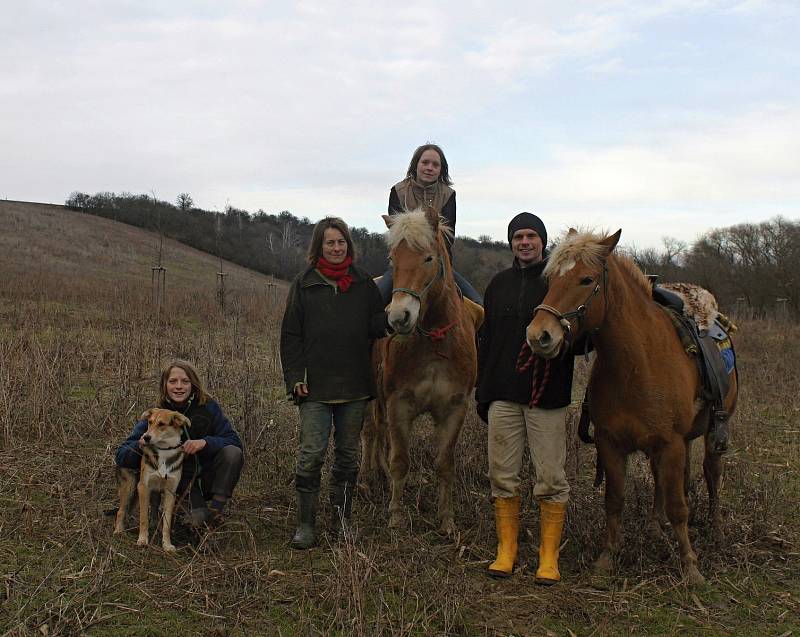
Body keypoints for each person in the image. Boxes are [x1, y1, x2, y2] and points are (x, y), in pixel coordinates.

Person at [476, 212, 575, 584]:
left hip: (545, 396)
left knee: (550, 477)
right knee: (502, 476)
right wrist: (482, 392)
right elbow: (485, 343)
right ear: (511, 243)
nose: (525, 242)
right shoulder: (497, 285)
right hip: (502, 394)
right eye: (518, 236)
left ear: (542, 241)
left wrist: (563, 349)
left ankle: (548, 558)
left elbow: (580, 338)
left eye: (532, 236)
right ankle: (507, 551)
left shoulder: (557, 283)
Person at [280, 216, 389, 549]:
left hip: (354, 385)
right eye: (330, 242)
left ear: (348, 246)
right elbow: (290, 335)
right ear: (319, 246)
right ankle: (306, 524)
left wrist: (397, 318)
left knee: (347, 456)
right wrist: (295, 377)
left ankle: (342, 522)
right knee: (311, 454)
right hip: (315, 386)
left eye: (341, 242)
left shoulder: (362, 284)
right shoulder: (304, 283)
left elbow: (375, 324)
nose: (337, 248)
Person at [115, 359, 244, 526]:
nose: (179, 386)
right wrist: (139, 446)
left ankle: (216, 511)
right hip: (181, 483)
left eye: (185, 381)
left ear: (193, 384)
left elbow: (234, 441)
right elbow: (121, 455)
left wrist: (205, 443)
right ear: (165, 385)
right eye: (173, 381)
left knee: (233, 453)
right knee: (196, 523)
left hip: (207, 476)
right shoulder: (157, 415)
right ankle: (191, 514)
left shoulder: (208, 407)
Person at [378, 143, 483, 305]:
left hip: (437, 263)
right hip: (404, 265)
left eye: (435, 164)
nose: (429, 168)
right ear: (416, 165)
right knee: (374, 301)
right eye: (425, 162)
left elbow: (448, 237)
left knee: (478, 304)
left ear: (441, 169)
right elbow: (397, 234)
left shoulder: (448, 195)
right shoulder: (398, 191)